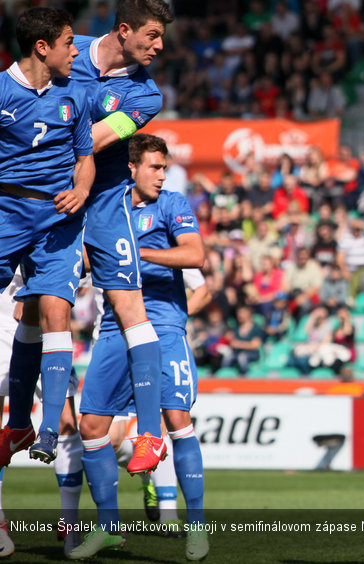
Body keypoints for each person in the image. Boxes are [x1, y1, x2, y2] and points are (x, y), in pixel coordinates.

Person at [71, 134, 209, 561]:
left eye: (165, 167)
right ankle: (109, 529)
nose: (162, 175)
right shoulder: (106, 206)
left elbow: (195, 254)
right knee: (91, 427)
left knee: (176, 418)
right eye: (155, 167)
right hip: (114, 326)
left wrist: (137, 253)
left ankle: (196, 528)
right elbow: (86, 256)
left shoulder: (172, 205)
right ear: (130, 167)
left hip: (163, 326)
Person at [62, 0, 175, 476]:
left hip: (104, 201)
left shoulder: (146, 96)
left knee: (132, 307)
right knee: (37, 306)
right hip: (48, 198)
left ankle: (149, 435)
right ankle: (40, 423)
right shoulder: (69, 52)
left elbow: (97, 138)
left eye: (162, 37)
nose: (160, 45)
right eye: (152, 35)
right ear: (124, 30)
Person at [0, 7, 95, 467]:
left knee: (57, 309)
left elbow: (86, 157)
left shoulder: (74, 95)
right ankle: (19, 425)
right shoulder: (0, 91)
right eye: (68, 42)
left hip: (58, 219)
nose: (75, 50)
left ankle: (50, 430)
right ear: (43, 48)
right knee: (30, 316)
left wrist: (80, 188)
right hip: (6, 212)